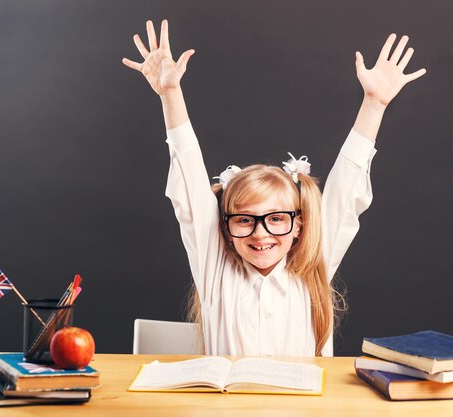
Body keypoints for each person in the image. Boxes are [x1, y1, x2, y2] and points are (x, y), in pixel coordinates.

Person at [122, 20, 426, 356]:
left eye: (276, 218)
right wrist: (170, 94)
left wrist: (375, 103)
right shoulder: (216, 270)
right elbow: (189, 181)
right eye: (244, 219)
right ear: (224, 227)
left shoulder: (313, 267)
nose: (260, 233)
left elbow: (346, 190)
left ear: (298, 225)